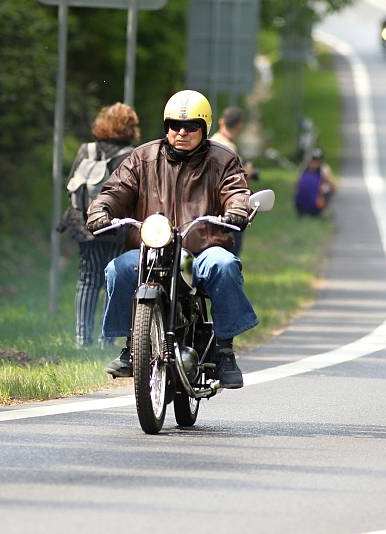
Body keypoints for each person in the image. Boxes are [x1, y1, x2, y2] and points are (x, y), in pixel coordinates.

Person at [87, 90, 258, 389]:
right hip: (153, 248)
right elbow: (114, 190)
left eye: (191, 126)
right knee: (119, 268)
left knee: (225, 265)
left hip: (202, 247)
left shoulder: (223, 159)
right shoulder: (142, 157)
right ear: (165, 126)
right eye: (175, 125)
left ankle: (225, 350)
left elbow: (236, 191)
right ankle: (131, 346)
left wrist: (237, 210)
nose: (182, 132)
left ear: (204, 128)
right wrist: (100, 210)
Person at [58, 103, 139, 348]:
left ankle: (82, 340)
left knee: (87, 279)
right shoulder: (130, 154)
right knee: (113, 278)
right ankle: (107, 338)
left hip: (84, 223)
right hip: (115, 226)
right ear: (128, 127)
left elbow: (71, 184)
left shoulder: (87, 149)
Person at [209, 106, 258, 257]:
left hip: (210, 208)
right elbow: (235, 180)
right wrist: (248, 172)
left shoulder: (210, 142)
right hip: (229, 209)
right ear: (240, 126)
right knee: (232, 255)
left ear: (221, 122)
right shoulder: (230, 149)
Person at [294, 147, 336, 217]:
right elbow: (334, 187)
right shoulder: (323, 170)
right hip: (315, 208)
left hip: (299, 207)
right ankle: (322, 211)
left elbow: (296, 185)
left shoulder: (303, 169)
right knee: (326, 189)